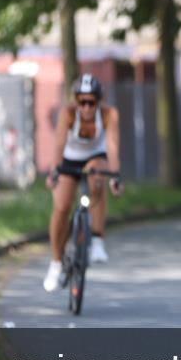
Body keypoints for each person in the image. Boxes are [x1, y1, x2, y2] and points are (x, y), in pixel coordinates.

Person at [43, 74, 123, 291]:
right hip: (70, 159)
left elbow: (113, 147)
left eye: (91, 102)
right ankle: (56, 263)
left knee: (97, 179)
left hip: (95, 157)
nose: (86, 108)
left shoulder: (109, 115)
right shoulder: (68, 114)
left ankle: (97, 240)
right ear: (75, 101)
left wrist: (115, 177)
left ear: (99, 102)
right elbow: (59, 144)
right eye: (82, 102)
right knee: (61, 207)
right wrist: (54, 172)